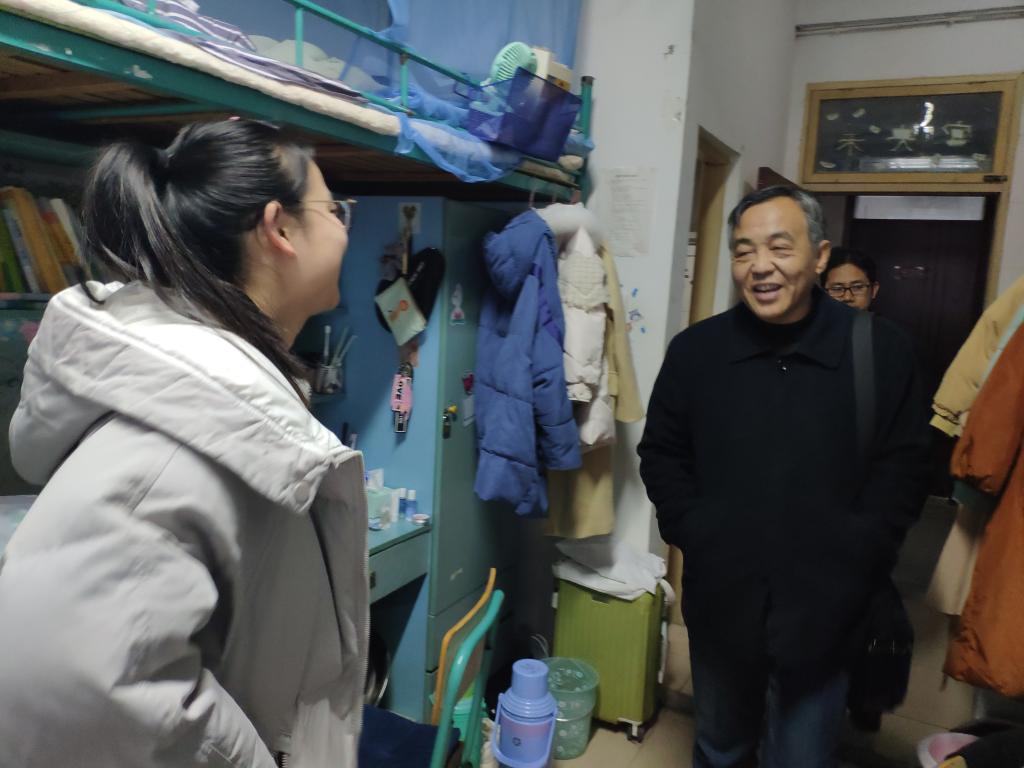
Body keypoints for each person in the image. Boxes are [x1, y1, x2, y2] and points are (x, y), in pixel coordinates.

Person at [0, 119, 367, 767]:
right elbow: (64, 679)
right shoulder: (174, 445)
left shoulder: (219, 410)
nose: (344, 228)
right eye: (334, 210)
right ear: (279, 229)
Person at [638, 186, 930, 768]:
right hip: (723, 600)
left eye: (779, 246)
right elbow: (663, 453)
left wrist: (860, 549)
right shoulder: (697, 351)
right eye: (744, 251)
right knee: (719, 745)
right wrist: (697, 531)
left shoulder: (879, 351)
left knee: (800, 755)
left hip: (828, 608)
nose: (760, 266)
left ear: (819, 256)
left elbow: (905, 467)